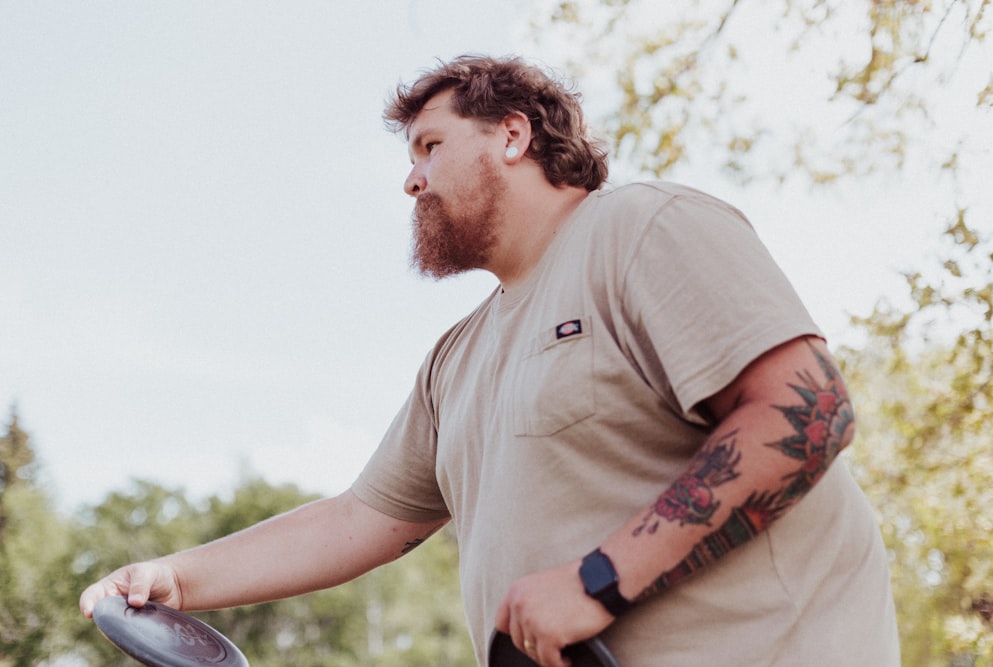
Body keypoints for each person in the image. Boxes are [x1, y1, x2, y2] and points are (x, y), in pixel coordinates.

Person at [80, 55, 900, 666]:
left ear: (513, 134)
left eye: (430, 145)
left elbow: (807, 412)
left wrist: (596, 580)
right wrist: (175, 579)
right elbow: (359, 518)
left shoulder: (643, 228)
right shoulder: (456, 359)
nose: (412, 179)